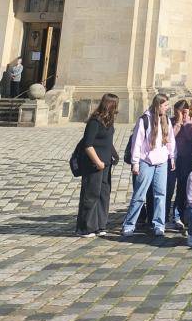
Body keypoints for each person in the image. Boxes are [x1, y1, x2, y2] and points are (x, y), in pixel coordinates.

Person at [122, 94, 176, 239]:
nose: (167, 107)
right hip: (146, 162)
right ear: (158, 105)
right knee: (139, 194)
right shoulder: (144, 120)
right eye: (165, 105)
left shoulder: (166, 120)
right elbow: (137, 143)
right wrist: (135, 163)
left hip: (162, 163)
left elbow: (170, 140)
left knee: (160, 195)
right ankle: (129, 224)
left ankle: (159, 224)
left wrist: (171, 157)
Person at [75, 93, 120, 237]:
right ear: (109, 105)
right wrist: (98, 162)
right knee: (91, 195)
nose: (117, 109)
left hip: (106, 165)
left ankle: (100, 225)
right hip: (94, 165)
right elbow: (88, 145)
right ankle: (86, 227)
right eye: (115, 105)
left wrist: (114, 154)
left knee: (103, 195)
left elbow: (107, 141)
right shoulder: (95, 121)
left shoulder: (109, 121)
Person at [168, 99, 192, 232]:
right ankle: (166, 215)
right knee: (169, 187)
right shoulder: (171, 121)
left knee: (183, 187)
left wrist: (186, 123)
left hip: (187, 159)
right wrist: (178, 123)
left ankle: (179, 215)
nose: (182, 114)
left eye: (184, 112)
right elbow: (169, 138)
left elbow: (191, 138)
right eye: (178, 112)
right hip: (172, 159)